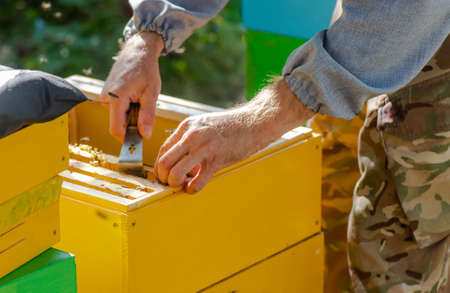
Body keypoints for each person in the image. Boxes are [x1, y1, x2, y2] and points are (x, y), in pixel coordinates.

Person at [101, 0, 449, 292]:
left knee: (396, 252)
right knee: (322, 200)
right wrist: (149, 33)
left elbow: (405, 13)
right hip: (366, 23)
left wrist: (258, 120)